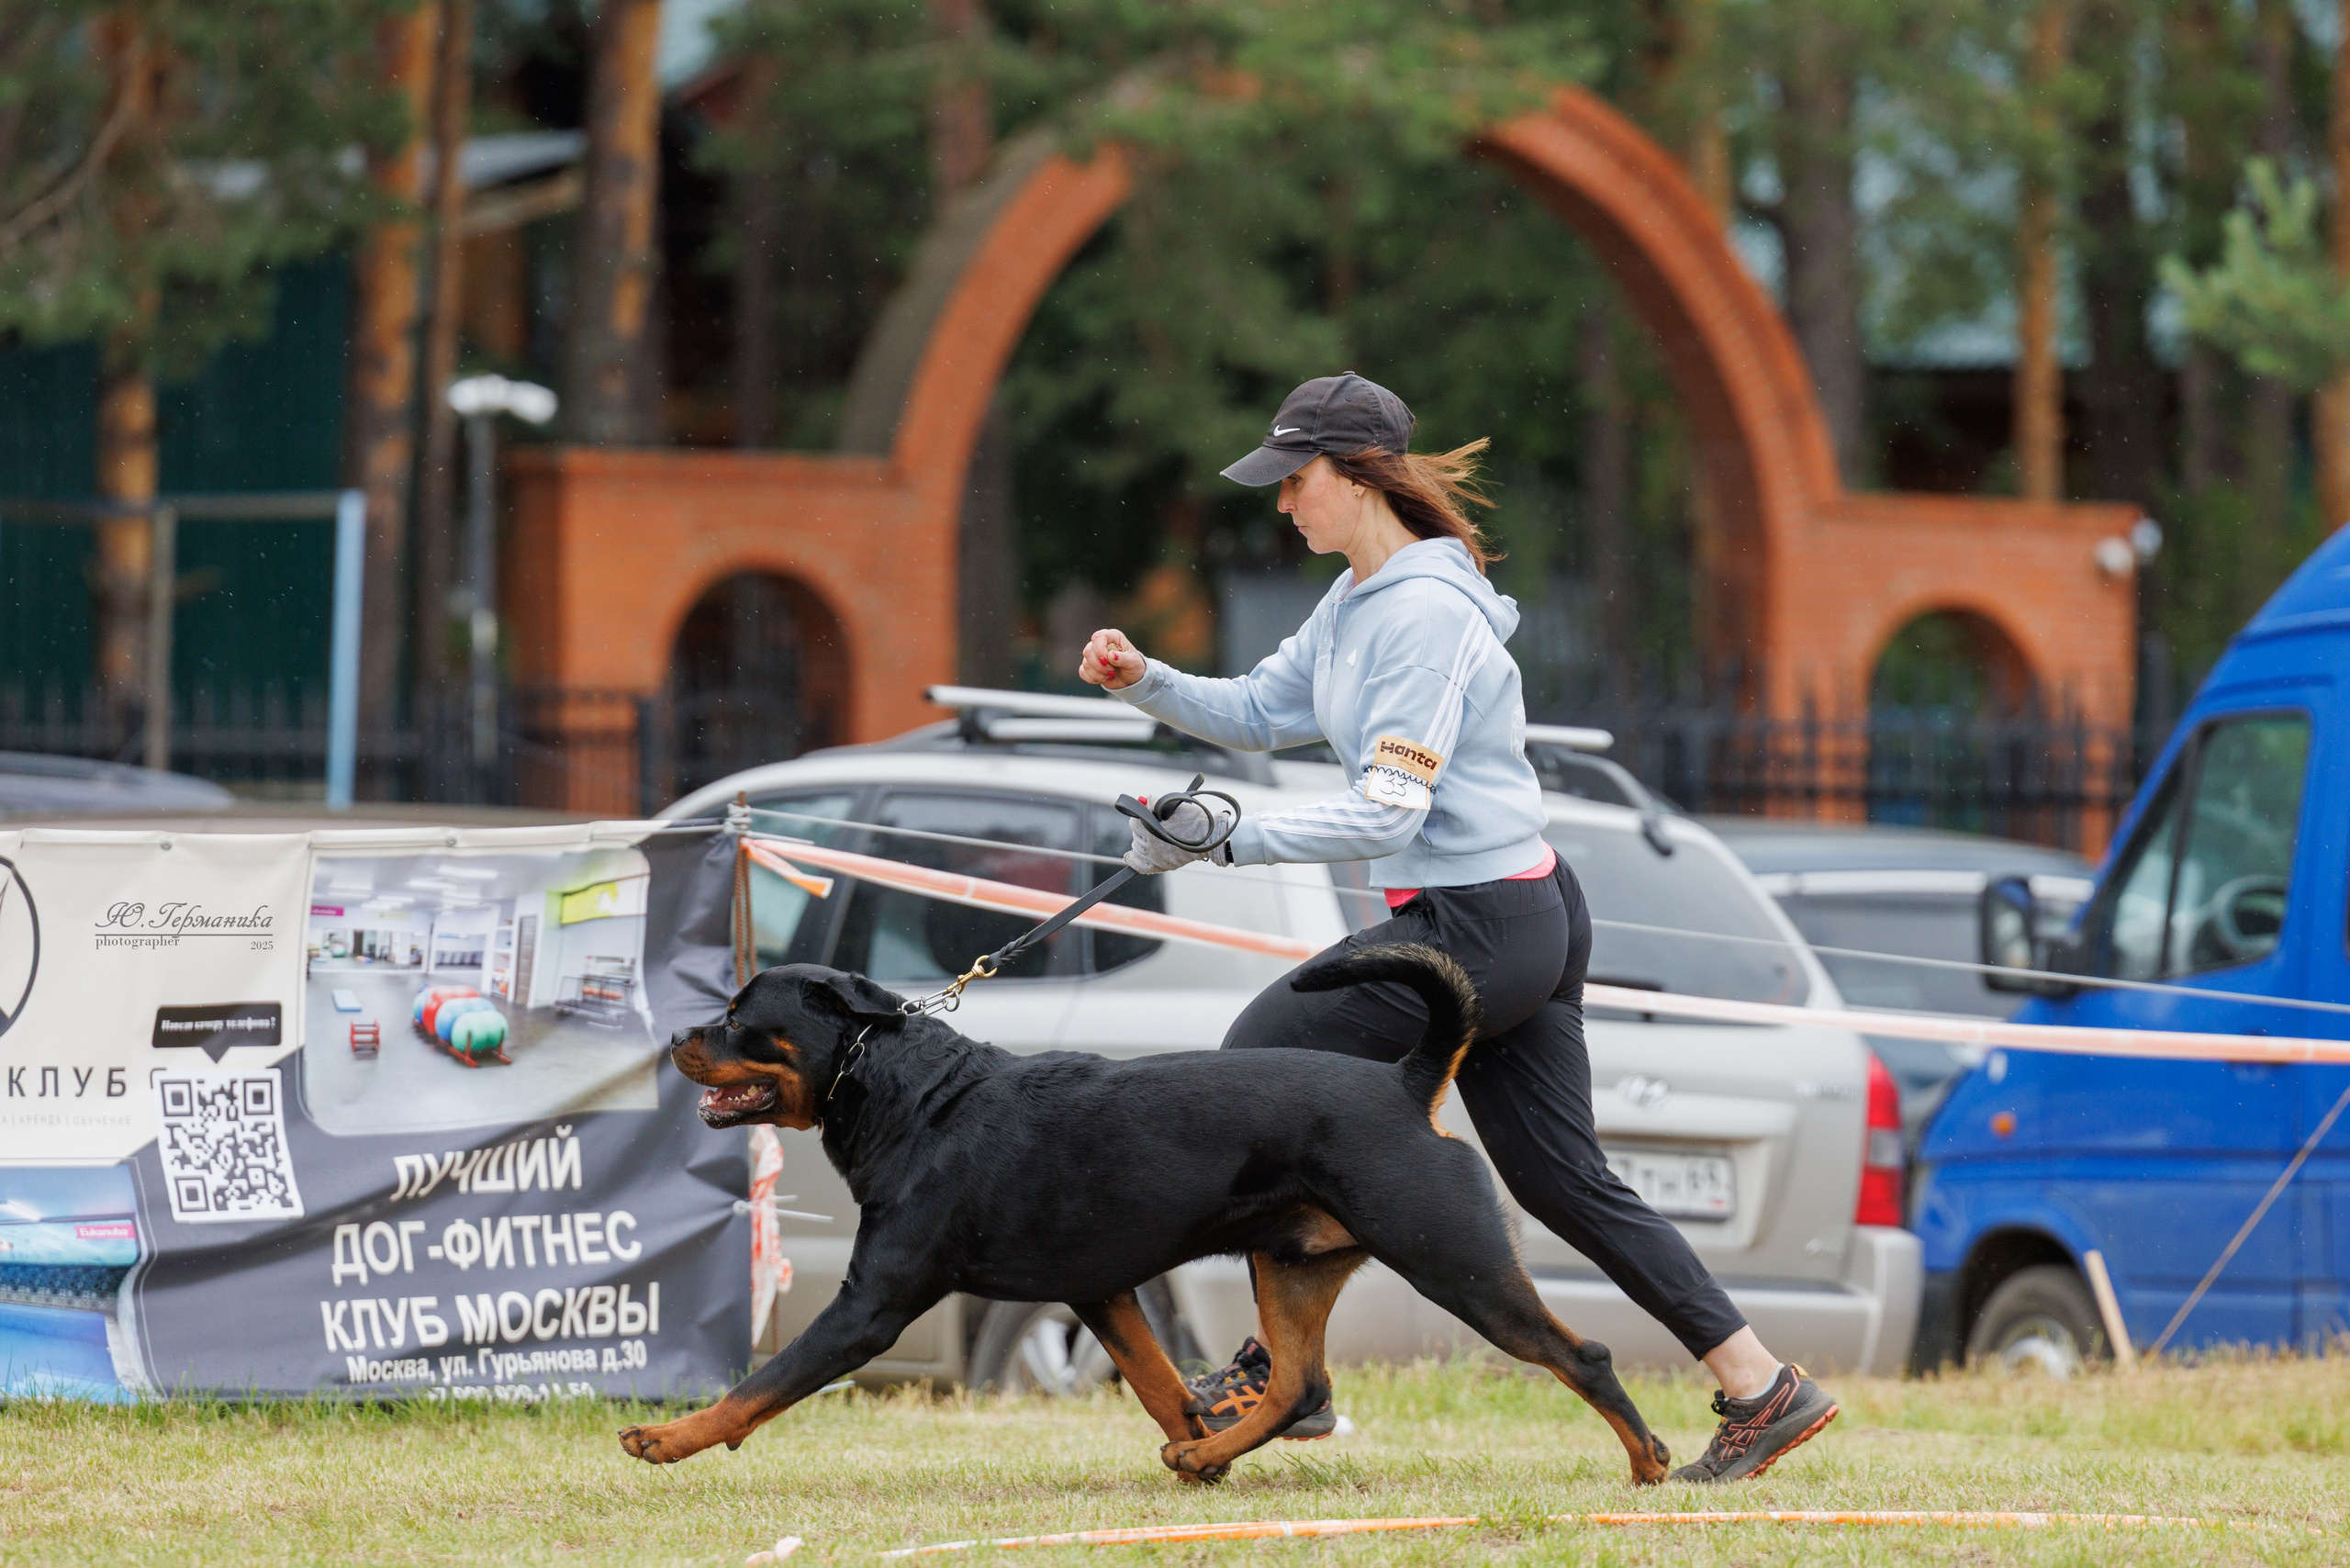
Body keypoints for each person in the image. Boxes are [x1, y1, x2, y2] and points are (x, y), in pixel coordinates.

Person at [1077, 372, 1836, 1484]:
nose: (1283, 505)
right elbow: (1255, 712)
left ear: (1358, 475)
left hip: (1479, 925)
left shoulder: (1426, 614)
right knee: (1561, 1179)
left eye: (1295, 482)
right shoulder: (1355, 598)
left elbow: (1391, 807)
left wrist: (1220, 839)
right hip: (1512, 913)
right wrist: (1144, 679)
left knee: (1253, 1064)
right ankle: (1762, 1385)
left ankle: (1291, 1381)